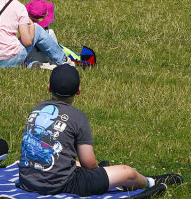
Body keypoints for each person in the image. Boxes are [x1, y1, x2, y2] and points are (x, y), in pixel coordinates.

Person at [18, 64, 182, 196]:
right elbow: (89, 164)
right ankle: (149, 183)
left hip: (28, 180)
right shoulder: (77, 117)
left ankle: (111, 176)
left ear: (48, 88)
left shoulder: (37, 108)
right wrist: (97, 173)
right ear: (78, 91)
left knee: (71, 161)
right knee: (126, 172)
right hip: (60, 185)